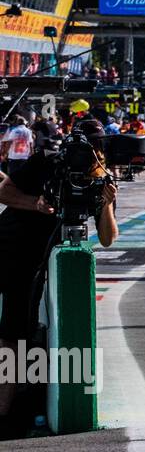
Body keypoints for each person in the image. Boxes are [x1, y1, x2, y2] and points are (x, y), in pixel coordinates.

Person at [0, 120, 117, 436]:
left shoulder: (100, 179)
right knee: (13, 334)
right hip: (15, 249)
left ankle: (31, 403)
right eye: (85, 148)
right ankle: (5, 413)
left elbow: (107, 238)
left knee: (43, 333)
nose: (89, 156)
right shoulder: (49, 160)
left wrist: (105, 205)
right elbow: (5, 190)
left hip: (52, 258)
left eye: (95, 150)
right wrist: (36, 204)